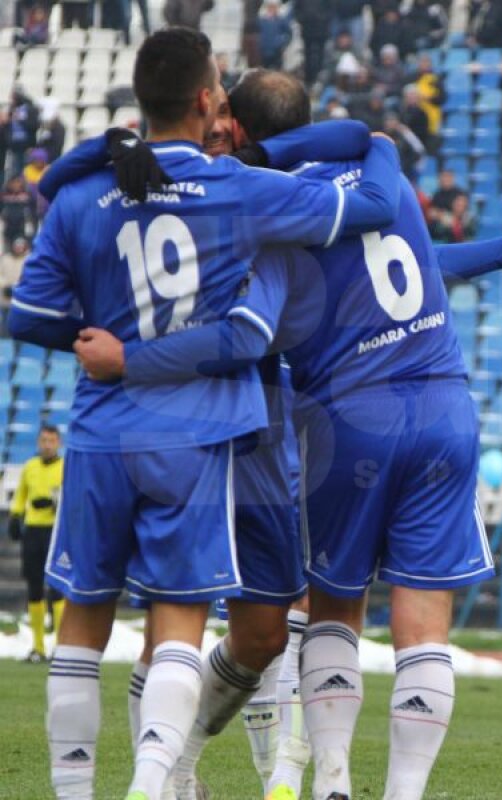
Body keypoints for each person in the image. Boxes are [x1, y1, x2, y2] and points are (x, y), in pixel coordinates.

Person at [14, 29, 401, 800]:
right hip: (199, 432)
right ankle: (154, 786)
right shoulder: (240, 190)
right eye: (218, 85)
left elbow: (26, 315)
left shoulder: (90, 191)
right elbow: (379, 205)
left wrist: (100, 343)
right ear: (203, 99)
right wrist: (379, 137)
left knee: (81, 628)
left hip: (98, 431)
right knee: (179, 624)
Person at [8, 423, 63, 663]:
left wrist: (54, 506)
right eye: (43, 440)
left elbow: (73, 498)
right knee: (34, 588)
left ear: (58, 443)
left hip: (56, 532)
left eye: (51, 441)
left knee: (58, 589)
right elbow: (20, 495)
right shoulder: (30, 467)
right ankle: (38, 647)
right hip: (33, 532)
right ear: (38, 443)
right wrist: (15, 516)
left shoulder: (65, 467)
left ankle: (61, 647)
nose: (47, 445)